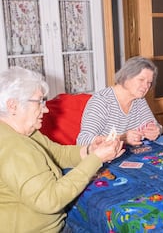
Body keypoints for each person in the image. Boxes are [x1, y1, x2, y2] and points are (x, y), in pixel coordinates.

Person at [0, 66, 125, 232]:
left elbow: (57, 153)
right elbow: (50, 200)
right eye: (39, 102)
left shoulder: (24, 132)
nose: (45, 109)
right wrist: (96, 159)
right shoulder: (14, 147)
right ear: (13, 106)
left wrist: (90, 150)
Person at [77, 56, 163, 146]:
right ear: (126, 77)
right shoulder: (102, 101)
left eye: (149, 82)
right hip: (102, 158)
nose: (146, 86)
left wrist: (156, 130)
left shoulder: (139, 99)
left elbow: (157, 126)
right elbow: (82, 141)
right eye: (141, 80)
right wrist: (122, 138)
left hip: (127, 155)